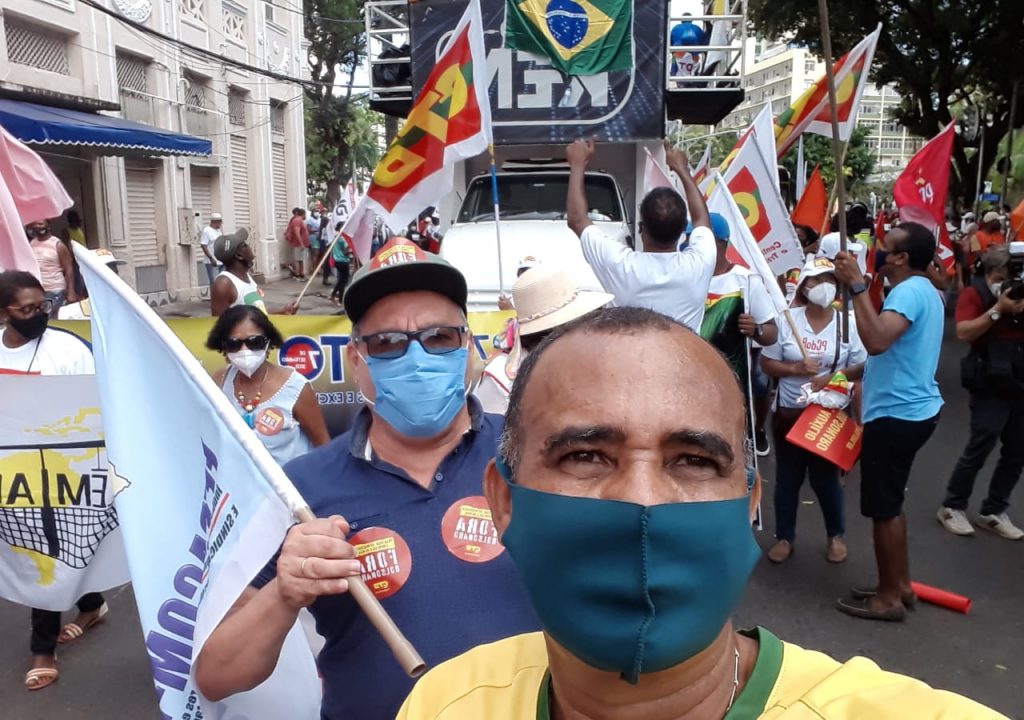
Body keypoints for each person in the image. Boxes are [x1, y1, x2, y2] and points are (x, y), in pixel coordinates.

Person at [395, 306, 1002, 720]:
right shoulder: (446, 704)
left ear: (750, 505)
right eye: (585, 456)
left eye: (693, 461)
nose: (642, 500)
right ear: (503, 501)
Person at [194, 239, 538, 719]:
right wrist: (286, 591)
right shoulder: (301, 490)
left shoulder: (533, 455)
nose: (416, 356)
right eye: (387, 342)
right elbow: (216, 675)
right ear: (356, 360)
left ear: (468, 349)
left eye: (439, 337)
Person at [0, 270, 108, 691]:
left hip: (59, 471)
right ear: (4, 313)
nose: (39, 315)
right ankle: (92, 604)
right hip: (10, 472)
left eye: (43, 305)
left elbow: (94, 406)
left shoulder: (68, 349)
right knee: (35, 551)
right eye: (26, 309)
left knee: (43, 551)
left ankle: (42, 649)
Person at [833, 222, 944, 622]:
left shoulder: (909, 291)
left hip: (897, 414)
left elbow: (878, 340)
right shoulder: (921, 290)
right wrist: (846, 374)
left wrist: (857, 286)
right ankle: (900, 584)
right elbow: (891, 352)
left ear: (901, 257)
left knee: (884, 509)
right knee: (892, 504)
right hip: (910, 409)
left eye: (885, 245)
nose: (877, 249)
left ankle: (888, 599)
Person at [761, 258, 867, 565]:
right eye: (816, 280)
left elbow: (861, 367)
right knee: (788, 478)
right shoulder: (786, 320)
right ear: (804, 286)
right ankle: (784, 537)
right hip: (789, 414)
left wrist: (834, 379)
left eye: (829, 280)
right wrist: (795, 369)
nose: (824, 286)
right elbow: (767, 363)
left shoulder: (848, 323)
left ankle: (835, 535)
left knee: (825, 480)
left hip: (828, 417)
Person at [566, 139, 715, 332]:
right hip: (684, 353)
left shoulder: (620, 265)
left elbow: (577, 220)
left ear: (641, 228)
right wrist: (682, 169)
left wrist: (578, 164)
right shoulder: (699, 264)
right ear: (683, 231)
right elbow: (702, 220)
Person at [938, 245, 1024, 539]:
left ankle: (994, 510)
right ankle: (953, 505)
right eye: (1003, 276)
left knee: (1017, 451)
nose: (1009, 282)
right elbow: (964, 332)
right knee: (982, 443)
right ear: (991, 272)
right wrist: (999, 309)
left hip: (1020, 379)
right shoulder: (974, 294)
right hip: (990, 379)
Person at [475, 265, 612, 415]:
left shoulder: (581, 363)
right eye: (579, 322)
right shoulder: (501, 377)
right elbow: (488, 427)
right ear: (554, 333)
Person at [698, 212, 778, 456]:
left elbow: (771, 333)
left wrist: (756, 330)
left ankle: (757, 432)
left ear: (721, 243)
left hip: (733, 383)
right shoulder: (685, 276)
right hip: (692, 379)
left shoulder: (746, 280)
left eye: (700, 240)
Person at [206, 305, 329, 463]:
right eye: (234, 344)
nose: (245, 350)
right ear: (223, 347)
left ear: (268, 342)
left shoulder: (296, 388)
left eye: (254, 342)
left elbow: (324, 448)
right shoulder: (220, 380)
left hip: (289, 478)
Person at [210, 229, 297, 317]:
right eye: (244, 245)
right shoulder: (223, 284)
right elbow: (219, 323)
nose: (249, 246)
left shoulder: (246, 275)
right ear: (239, 255)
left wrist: (283, 310)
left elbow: (259, 312)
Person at [25, 220, 76, 316]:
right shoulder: (32, 243)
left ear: (48, 226)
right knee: (40, 318)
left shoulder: (58, 245)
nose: (37, 227)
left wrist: (70, 291)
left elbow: (68, 268)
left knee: (49, 317)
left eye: (40, 224)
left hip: (54, 290)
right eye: (35, 224)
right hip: (38, 290)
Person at [57, 249, 126, 319]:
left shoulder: (128, 310)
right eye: (105, 272)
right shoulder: (68, 314)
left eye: (114, 271)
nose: (112, 277)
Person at [329, 225, 352, 307]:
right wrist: (350, 250)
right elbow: (345, 251)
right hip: (343, 261)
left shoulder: (335, 237)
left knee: (341, 280)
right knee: (343, 281)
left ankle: (333, 295)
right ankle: (340, 300)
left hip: (337, 261)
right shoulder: (343, 239)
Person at [199, 212, 224, 286]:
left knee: (221, 282)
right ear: (215, 222)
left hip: (221, 261)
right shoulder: (207, 231)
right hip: (212, 262)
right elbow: (203, 245)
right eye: (220, 222)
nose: (221, 224)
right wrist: (211, 258)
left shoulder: (219, 231)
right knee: (214, 283)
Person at [286, 207, 310, 279]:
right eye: (305, 214)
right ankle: (297, 274)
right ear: (303, 214)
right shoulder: (297, 221)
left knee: (301, 259)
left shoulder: (299, 220)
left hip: (301, 244)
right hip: (298, 244)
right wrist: (301, 243)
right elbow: (297, 232)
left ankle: (301, 273)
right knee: (298, 259)